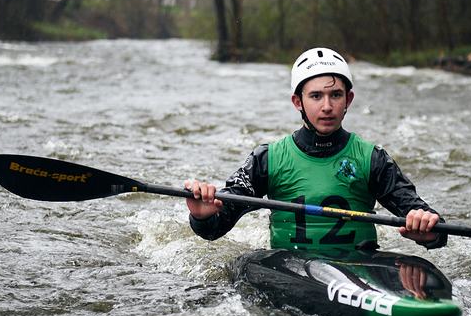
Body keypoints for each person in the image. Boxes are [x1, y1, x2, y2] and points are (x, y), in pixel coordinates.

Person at [184, 47, 447, 253]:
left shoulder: (372, 158)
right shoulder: (268, 159)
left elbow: (427, 219)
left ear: (349, 100)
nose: (327, 106)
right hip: (293, 270)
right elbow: (214, 229)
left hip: (360, 265)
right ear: (297, 101)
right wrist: (201, 216)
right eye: (316, 96)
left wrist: (429, 230)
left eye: (336, 95)